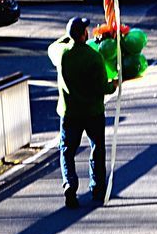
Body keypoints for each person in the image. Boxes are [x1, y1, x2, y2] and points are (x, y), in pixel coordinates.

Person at [48, 17, 116, 208]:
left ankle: (70, 184)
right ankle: (97, 188)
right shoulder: (94, 57)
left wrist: (68, 37)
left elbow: (52, 46)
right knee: (97, 149)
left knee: (67, 151)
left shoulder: (61, 54)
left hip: (70, 113)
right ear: (83, 35)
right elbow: (104, 87)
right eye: (85, 29)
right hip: (93, 111)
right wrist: (115, 85)